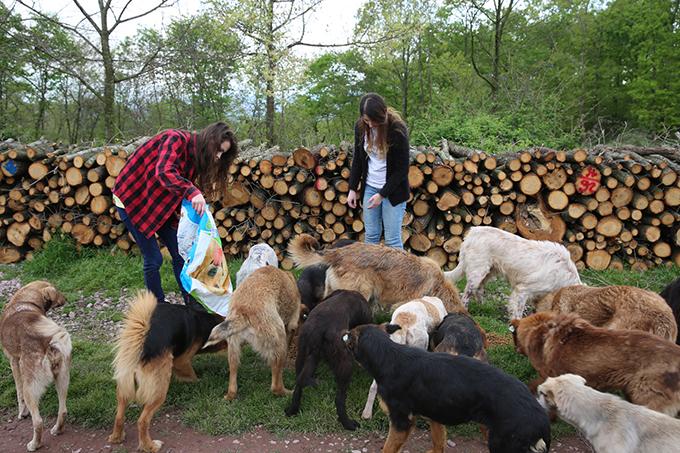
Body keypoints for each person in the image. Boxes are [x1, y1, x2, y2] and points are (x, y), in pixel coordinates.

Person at [112, 122, 238, 305]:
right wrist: (192, 192)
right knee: (153, 258)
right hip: (132, 198)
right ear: (209, 140)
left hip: (157, 202)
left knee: (180, 254)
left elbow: (175, 187)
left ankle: (191, 304)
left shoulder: (197, 158)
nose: (218, 157)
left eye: (223, 154)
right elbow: (164, 172)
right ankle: (158, 309)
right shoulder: (174, 139)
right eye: (218, 150)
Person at [347, 93, 410, 249]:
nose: (369, 125)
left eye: (372, 121)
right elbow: (358, 161)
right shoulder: (361, 127)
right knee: (371, 236)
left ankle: (397, 274)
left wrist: (382, 194)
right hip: (370, 187)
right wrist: (352, 189)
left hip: (393, 190)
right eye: (366, 120)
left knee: (392, 240)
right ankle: (372, 274)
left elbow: (402, 170)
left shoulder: (397, 130)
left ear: (381, 115)